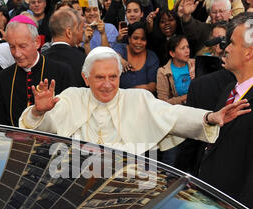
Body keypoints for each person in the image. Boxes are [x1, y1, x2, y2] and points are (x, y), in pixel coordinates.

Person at [18, 46, 250, 156]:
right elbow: (47, 128)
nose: (108, 84)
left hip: (128, 187)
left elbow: (173, 115)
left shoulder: (137, 99)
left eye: (113, 77)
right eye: (100, 78)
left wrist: (210, 117)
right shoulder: (71, 97)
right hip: (77, 182)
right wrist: (39, 113)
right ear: (85, 78)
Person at [198, 12, 253, 209]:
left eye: (232, 43)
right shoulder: (228, 91)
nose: (225, 49)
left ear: (248, 53)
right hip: (210, 204)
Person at [0, 15, 74, 126]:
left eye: (22, 46)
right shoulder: (3, 77)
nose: (17, 53)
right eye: (12, 47)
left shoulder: (62, 72)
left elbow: (71, 119)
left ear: (37, 42)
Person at [43, 8, 86, 87]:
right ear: (69, 32)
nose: (82, 31)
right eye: (77, 28)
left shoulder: (41, 59)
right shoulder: (83, 60)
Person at [114, 21, 159, 92]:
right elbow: (111, 53)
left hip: (143, 99)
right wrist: (120, 59)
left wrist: (131, 92)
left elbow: (152, 86)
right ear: (129, 39)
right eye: (135, 38)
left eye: (143, 39)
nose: (139, 42)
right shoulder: (121, 48)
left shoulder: (151, 57)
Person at [157, 35, 195, 105]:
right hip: (177, 111)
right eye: (183, 48)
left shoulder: (195, 64)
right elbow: (162, 103)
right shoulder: (163, 72)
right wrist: (185, 97)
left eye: (188, 47)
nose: (187, 51)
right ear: (172, 53)